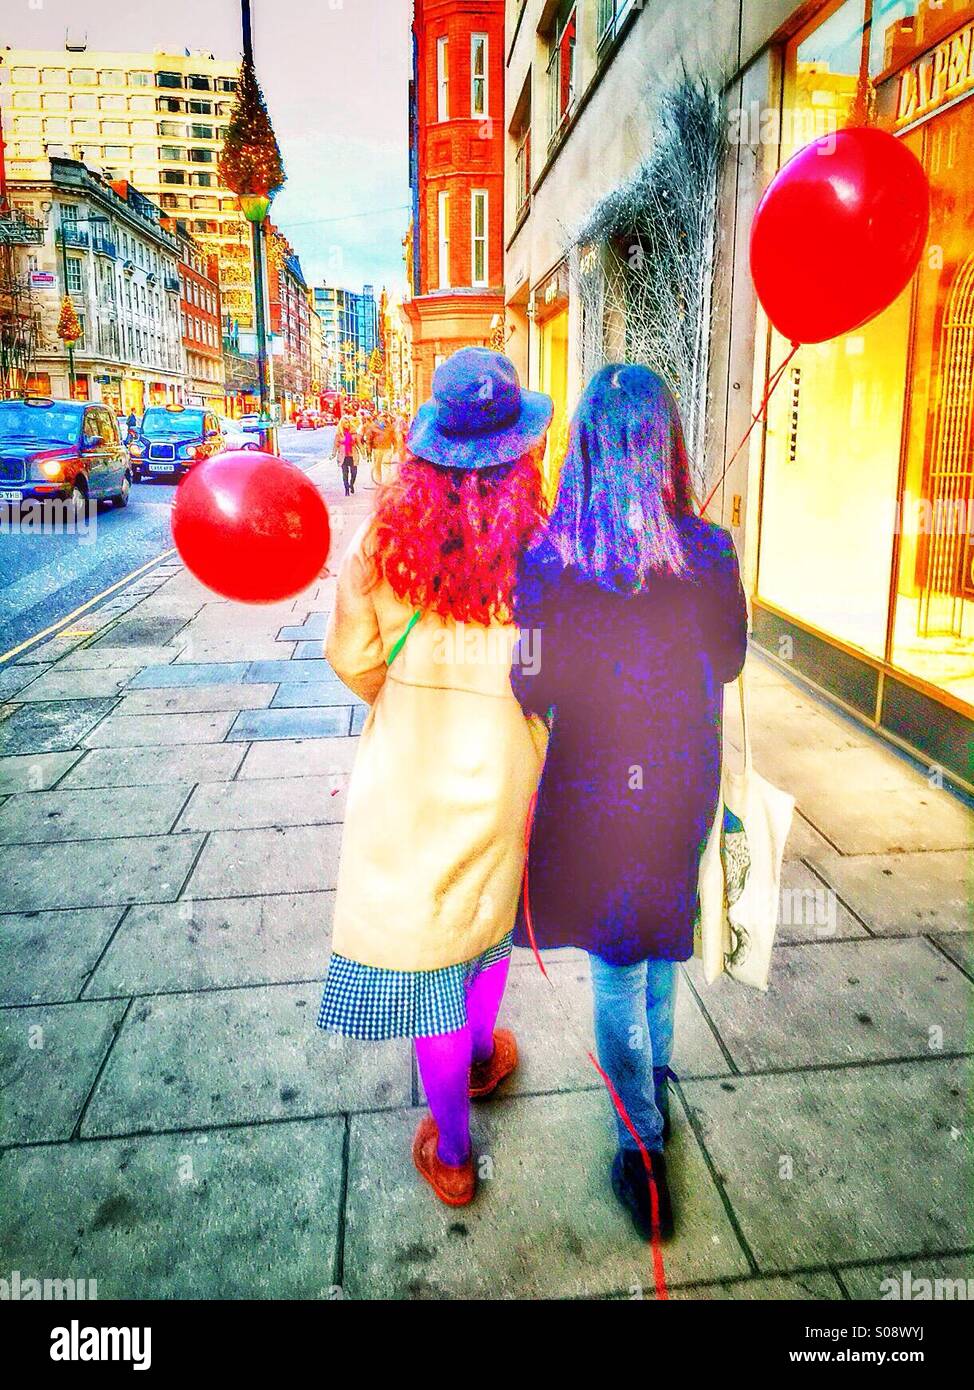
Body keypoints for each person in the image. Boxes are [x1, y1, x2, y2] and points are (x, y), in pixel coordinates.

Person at [511, 364, 748, 1241]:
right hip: (681, 786)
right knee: (656, 947)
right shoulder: (711, 549)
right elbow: (727, 661)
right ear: (667, 444)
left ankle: (641, 1145)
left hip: (595, 795)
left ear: (584, 451)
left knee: (621, 960)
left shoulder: (550, 561)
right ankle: (651, 1097)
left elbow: (531, 683)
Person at [318, 347, 553, 1207]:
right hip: (501, 776)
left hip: (409, 780)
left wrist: (405, 697)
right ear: (516, 450)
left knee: (430, 969)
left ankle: (454, 1152)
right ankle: (487, 1051)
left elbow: (352, 655)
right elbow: (545, 668)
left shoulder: (383, 534)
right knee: (486, 921)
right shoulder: (539, 539)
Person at [334, 416, 360, 496]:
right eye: (345, 423)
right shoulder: (339, 434)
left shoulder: (354, 433)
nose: (347, 424)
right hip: (343, 455)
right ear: (342, 424)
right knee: (345, 473)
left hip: (352, 455)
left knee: (354, 472)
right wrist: (333, 454)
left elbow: (358, 443)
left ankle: (351, 484)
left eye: (348, 422)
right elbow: (336, 445)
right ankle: (346, 489)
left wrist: (363, 452)